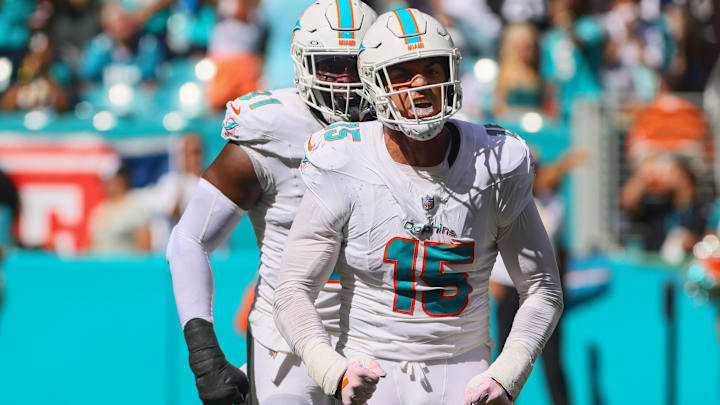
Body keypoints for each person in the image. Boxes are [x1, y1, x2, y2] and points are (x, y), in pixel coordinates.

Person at [273, 8, 564, 405]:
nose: (421, 84)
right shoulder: (342, 160)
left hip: (466, 373)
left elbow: (543, 289)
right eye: (404, 72)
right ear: (374, 83)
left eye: (432, 68)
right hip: (370, 371)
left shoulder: (495, 161)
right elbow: (292, 289)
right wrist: (332, 369)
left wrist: (507, 373)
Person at [165, 1, 377, 404]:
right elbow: (189, 239)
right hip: (287, 348)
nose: (346, 80)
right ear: (302, 63)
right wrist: (204, 353)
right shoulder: (269, 132)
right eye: (332, 63)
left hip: (383, 340)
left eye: (357, 63)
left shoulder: (401, 132)